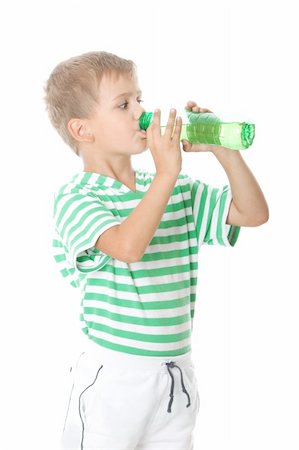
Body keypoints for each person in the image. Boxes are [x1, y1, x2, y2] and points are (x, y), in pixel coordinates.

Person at [44, 50, 269, 450]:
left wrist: (222, 149)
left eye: (140, 99)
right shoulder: (77, 196)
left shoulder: (176, 190)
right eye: (123, 104)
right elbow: (127, 247)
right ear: (83, 130)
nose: (140, 113)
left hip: (176, 375)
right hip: (115, 379)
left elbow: (252, 213)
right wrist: (167, 173)